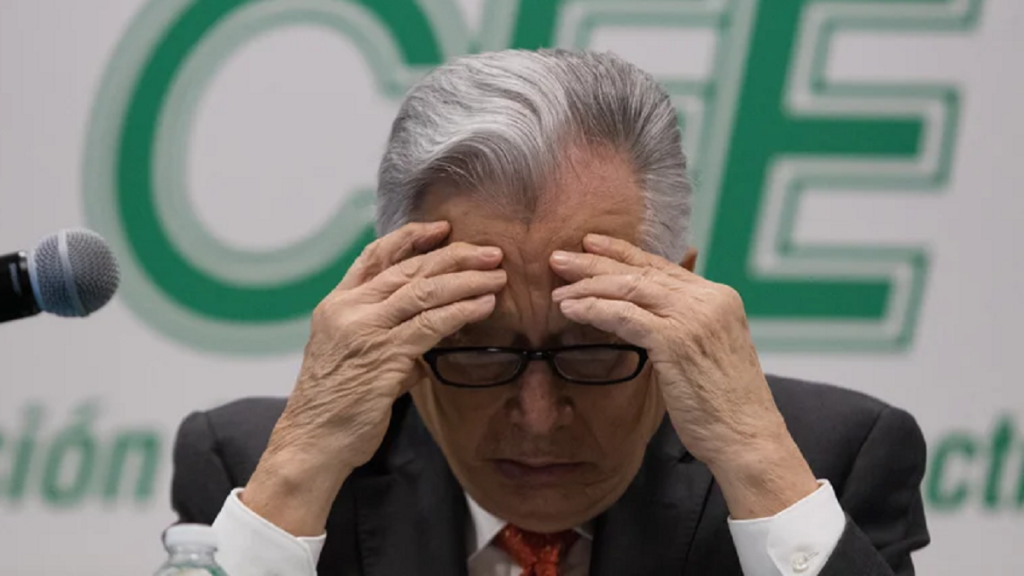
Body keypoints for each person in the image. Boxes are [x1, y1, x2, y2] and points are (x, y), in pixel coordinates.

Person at [171, 49, 928, 576]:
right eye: (479, 349)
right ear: (399, 313)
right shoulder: (257, 471)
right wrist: (295, 473)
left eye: (593, 345)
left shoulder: (827, 465)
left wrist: (758, 464)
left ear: (681, 305)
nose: (537, 417)